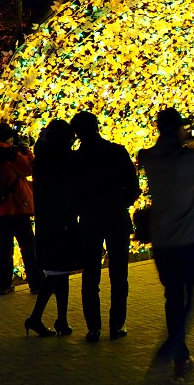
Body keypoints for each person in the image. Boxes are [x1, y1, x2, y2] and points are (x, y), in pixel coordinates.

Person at [137, 108, 194, 385]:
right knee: (190, 301)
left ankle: (180, 356)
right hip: (188, 239)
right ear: (179, 129)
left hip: (162, 239)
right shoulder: (191, 159)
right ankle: (164, 359)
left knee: (173, 297)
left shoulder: (149, 157)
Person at [70, 111, 141, 343]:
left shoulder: (76, 159)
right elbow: (133, 185)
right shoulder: (116, 152)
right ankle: (116, 325)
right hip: (116, 217)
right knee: (119, 274)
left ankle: (94, 328)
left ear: (77, 132)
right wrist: (122, 202)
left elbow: (72, 194)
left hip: (90, 220)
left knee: (90, 275)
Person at [24, 119, 78, 337]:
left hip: (47, 222)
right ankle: (58, 321)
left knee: (57, 273)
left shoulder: (42, 159)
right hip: (59, 222)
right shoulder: (60, 161)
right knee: (60, 272)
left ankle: (41, 319)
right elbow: (64, 193)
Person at [0, 122, 42, 295]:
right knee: (29, 246)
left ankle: (3, 285)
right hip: (16, 206)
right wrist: (26, 150)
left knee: (3, 246)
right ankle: (37, 283)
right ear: (8, 136)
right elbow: (30, 169)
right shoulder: (10, 153)